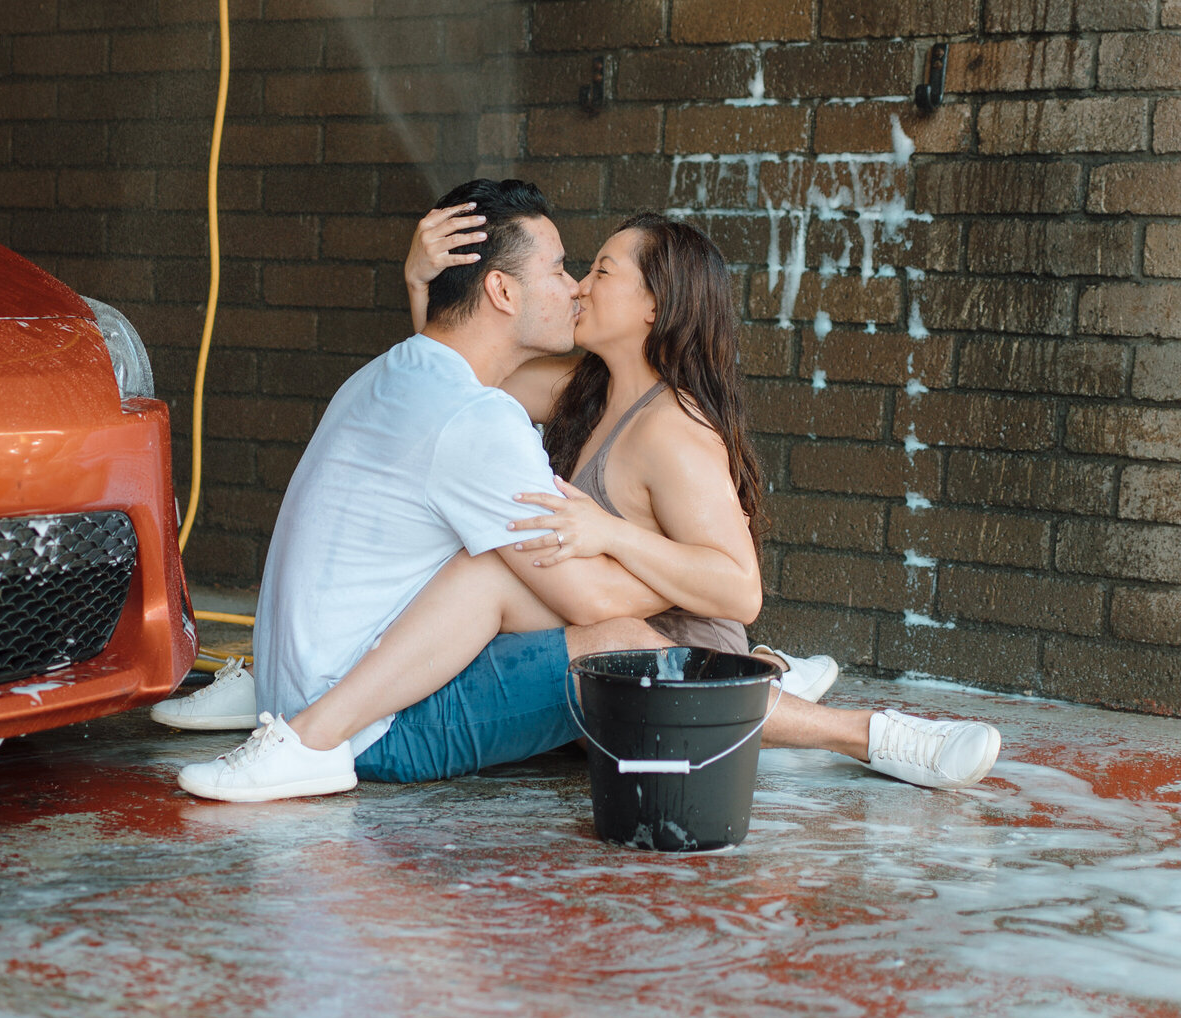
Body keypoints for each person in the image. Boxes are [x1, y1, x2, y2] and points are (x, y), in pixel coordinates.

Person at [174, 178, 1000, 802]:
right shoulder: (559, 395)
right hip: (508, 651)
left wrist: (609, 535)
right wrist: (425, 285)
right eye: (572, 266)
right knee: (521, 577)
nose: (575, 285)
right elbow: (460, 369)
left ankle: (830, 715)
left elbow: (733, 583)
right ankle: (768, 682)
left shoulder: (665, 425)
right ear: (503, 290)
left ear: (653, 307)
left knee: (573, 608)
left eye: (596, 270)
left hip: (649, 624)